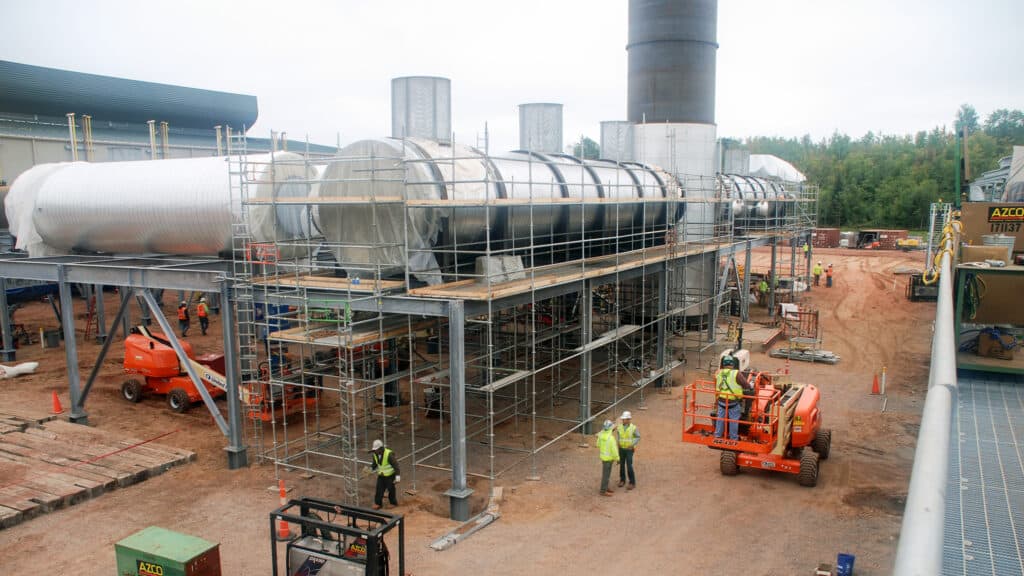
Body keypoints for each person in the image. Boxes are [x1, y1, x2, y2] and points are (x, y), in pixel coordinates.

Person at [714, 355, 750, 441]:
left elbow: (716, 382)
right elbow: (746, 385)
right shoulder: (736, 373)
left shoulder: (718, 372)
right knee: (734, 420)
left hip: (721, 401)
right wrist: (749, 387)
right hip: (733, 403)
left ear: (723, 364)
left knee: (720, 418)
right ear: (732, 364)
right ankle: (733, 438)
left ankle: (718, 435)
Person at [369, 439, 401, 510]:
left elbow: (396, 465)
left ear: (381, 448)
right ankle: (378, 504)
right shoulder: (375, 455)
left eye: (376, 450)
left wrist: (397, 476)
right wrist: (370, 469)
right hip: (381, 475)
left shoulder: (388, 454)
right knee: (379, 489)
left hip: (390, 476)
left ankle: (393, 503)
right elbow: (374, 464)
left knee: (391, 489)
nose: (375, 451)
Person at [616, 411, 640, 490]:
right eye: (622, 419)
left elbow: (638, 437)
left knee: (629, 465)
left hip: (629, 449)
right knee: (622, 465)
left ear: (628, 419)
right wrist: (618, 442)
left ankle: (632, 482)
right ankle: (622, 480)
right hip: (621, 449)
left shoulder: (633, 428)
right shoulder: (619, 427)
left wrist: (632, 444)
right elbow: (618, 435)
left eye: (624, 419)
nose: (623, 420)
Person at [597, 419, 620, 496]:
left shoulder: (600, 436)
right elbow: (614, 450)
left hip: (604, 458)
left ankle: (606, 487)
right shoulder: (611, 438)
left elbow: (598, 445)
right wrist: (618, 459)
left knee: (606, 474)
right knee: (606, 475)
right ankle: (603, 491)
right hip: (609, 459)